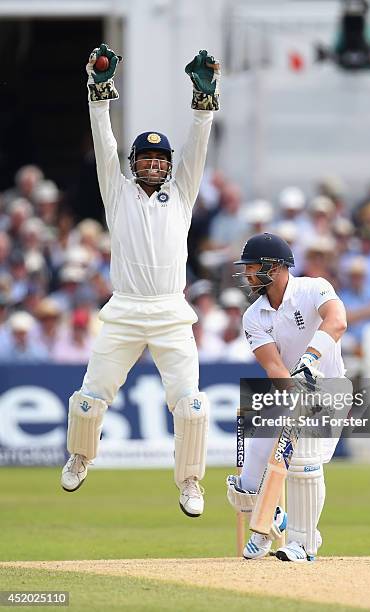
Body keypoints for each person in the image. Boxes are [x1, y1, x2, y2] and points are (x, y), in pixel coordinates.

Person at [60, 44, 220, 520]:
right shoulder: (118, 191)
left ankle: (190, 481)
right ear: (134, 163)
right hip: (126, 308)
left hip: (171, 311)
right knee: (90, 399)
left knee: (190, 405)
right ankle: (81, 456)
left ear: (168, 165)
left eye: (159, 159)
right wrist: (99, 92)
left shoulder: (183, 192)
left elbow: (198, 143)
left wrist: (203, 100)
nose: (152, 164)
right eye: (145, 158)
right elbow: (103, 137)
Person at [226, 233, 347, 562]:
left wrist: (309, 360)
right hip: (289, 392)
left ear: (275, 267)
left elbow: (338, 322)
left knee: (304, 462)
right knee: (246, 481)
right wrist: (296, 390)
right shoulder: (253, 316)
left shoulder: (313, 288)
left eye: (252, 267)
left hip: (330, 390)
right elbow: (274, 366)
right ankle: (270, 521)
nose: (248, 274)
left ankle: (303, 544)